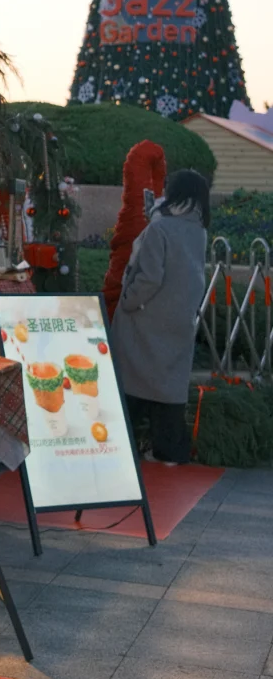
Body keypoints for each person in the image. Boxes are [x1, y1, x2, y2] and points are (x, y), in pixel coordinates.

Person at [111, 168, 209, 466]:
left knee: (129, 388)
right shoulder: (199, 230)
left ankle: (117, 447)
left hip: (145, 320)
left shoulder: (160, 228)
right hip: (178, 320)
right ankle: (170, 450)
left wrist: (128, 302)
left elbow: (150, 277)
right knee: (167, 391)